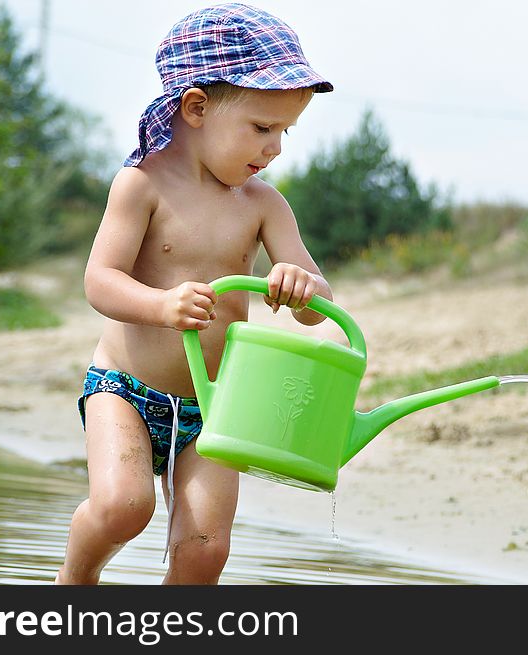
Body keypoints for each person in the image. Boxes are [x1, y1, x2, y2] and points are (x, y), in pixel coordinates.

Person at [56, 3, 334, 585]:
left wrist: (301, 287)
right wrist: (160, 306)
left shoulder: (263, 204)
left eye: (284, 131)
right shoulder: (142, 184)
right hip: (125, 389)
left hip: (217, 404)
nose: (276, 147)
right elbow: (99, 280)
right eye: (262, 128)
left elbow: (315, 308)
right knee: (121, 510)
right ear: (196, 108)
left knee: (206, 546)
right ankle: (74, 582)